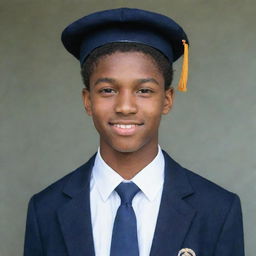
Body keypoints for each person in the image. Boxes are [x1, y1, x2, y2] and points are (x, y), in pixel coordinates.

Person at [24, 8, 244, 256]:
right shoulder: (45, 210)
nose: (125, 107)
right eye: (108, 90)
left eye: (144, 91)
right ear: (87, 101)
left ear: (167, 100)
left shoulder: (217, 210)